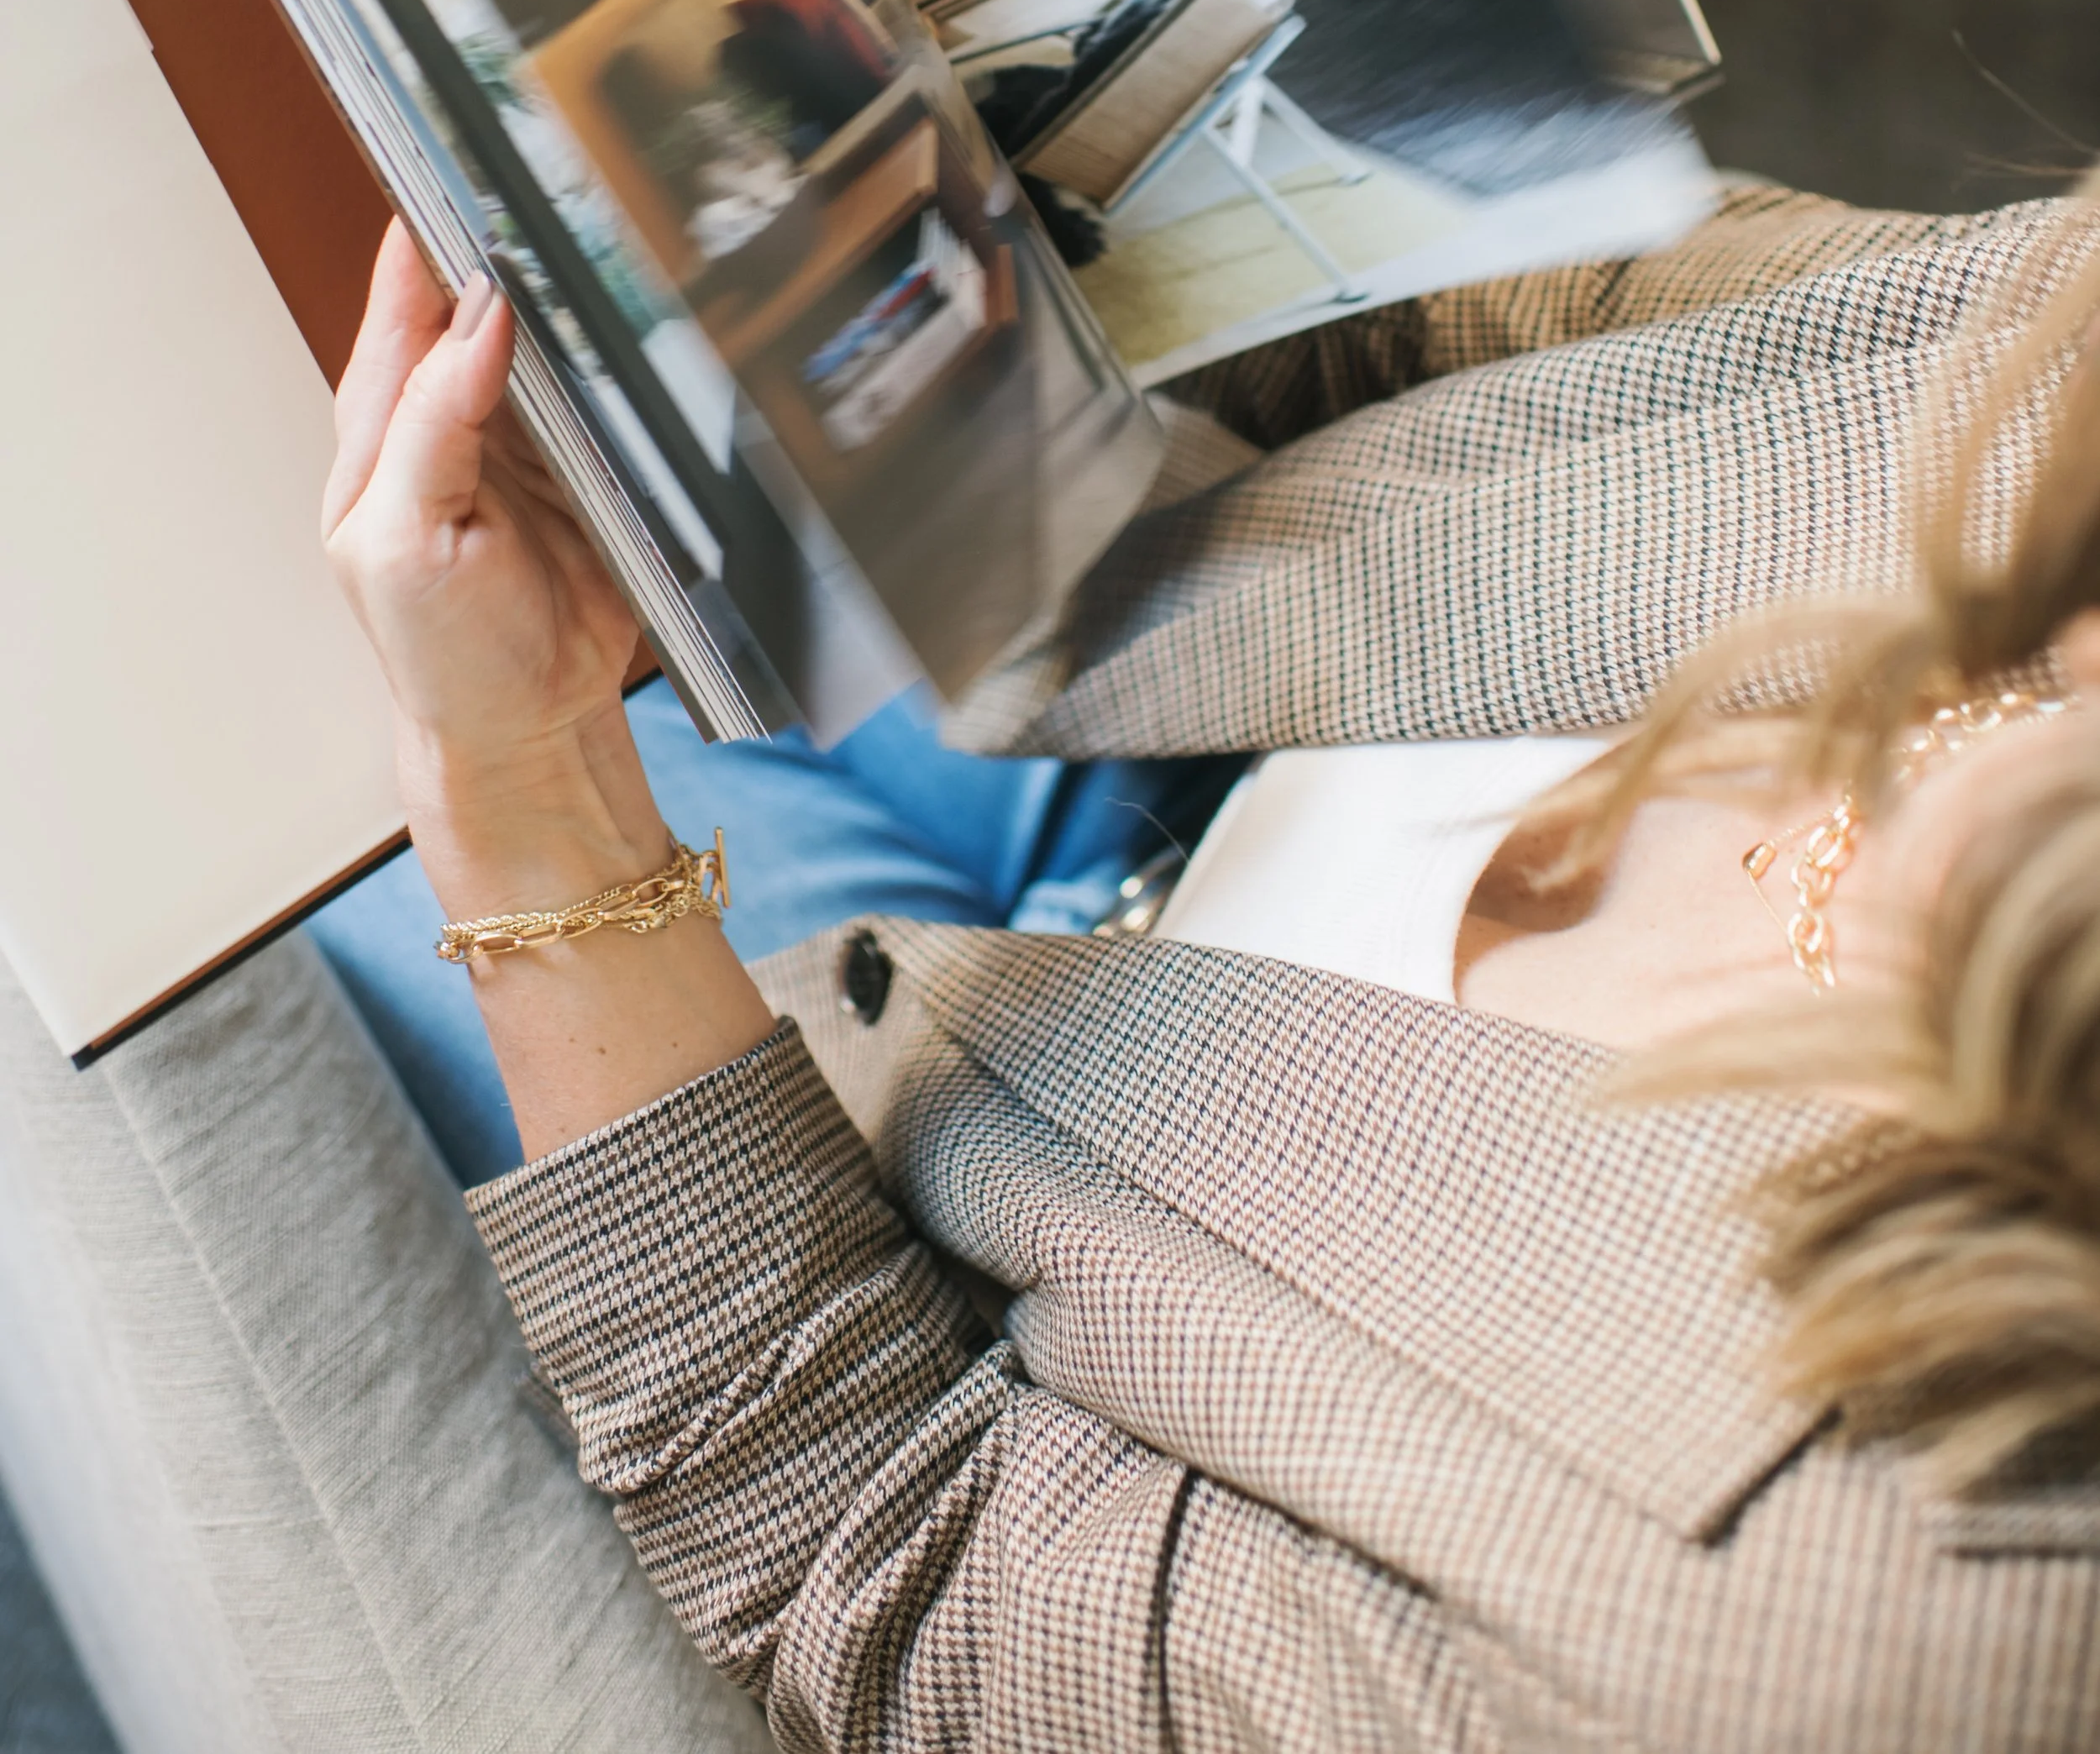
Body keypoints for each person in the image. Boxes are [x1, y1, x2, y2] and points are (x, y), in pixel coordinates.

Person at [320, 179, 2100, 1751]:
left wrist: (522, 782)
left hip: (904, 1222)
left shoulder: (1831, 1645)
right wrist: (942, 210)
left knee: (262, 701)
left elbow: (888, 1557)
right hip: (1207, 667)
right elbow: (1517, 300)